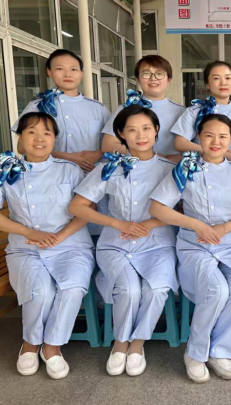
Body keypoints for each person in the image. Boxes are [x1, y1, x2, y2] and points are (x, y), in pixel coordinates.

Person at [0, 112, 95, 380]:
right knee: (40, 291)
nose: (39, 138)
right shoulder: (6, 170)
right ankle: (30, 343)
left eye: (47, 133)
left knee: (72, 288)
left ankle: (51, 347)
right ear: (20, 139)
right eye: (31, 132)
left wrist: (59, 237)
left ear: (54, 139)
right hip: (25, 247)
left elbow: (87, 210)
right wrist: (28, 231)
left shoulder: (70, 170)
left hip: (71, 245)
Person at [69, 105, 178, 377]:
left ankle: (137, 344)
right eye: (132, 130)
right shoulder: (110, 168)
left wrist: (150, 224)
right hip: (115, 243)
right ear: (120, 134)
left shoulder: (171, 169)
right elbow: (77, 206)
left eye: (146, 128)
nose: (140, 135)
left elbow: (185, 211)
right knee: (129, 290)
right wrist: (118, 224)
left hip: (158, 243)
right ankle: (120, 343)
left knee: (156, 289)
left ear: (156, 130)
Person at [150, 114, 231, 383]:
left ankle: (220, 351)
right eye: (209, 135)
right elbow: (158, 208)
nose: (215, 141)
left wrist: (225, 228)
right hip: (195, 245)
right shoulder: (185, 169)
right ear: (198, 137)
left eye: (223, 136)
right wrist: (196, 225)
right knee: (216, 289)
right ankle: (196, 353)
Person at [12, 49, 110, 173]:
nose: (67, 74)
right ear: (49, 72)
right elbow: (22, 148)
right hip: (51, 176)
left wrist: (99, 153)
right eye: (60, 69)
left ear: (82, 73)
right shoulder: (38, 107)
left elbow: (117, 143)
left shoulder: (98, 108)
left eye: (73, 69)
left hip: (90, 177)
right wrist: (66, 157)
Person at [101, 55, 185, 163]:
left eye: (159, 74)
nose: (153, 78)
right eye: (146, 74)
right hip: (134, 169)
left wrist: (169, 160)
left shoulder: (184, 113)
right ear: (138, 79)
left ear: (169, 79)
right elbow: (108, 145)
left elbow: (196, 148)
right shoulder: (126, 109)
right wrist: (147, 156)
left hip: (173, 169)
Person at [172, 60, 231, 165]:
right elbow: (180, 143)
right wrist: (221, 153)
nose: (223, 83)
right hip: (202, 170)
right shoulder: (195, 111)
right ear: (207, 84)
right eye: (216, 78)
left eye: (228, 78)